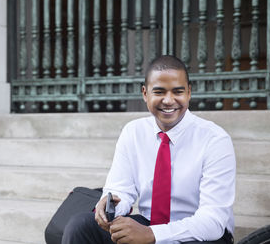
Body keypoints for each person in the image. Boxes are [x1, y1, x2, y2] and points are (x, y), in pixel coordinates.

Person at [62, 55, 236, 244]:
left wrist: (153, 235)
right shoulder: (133, 132)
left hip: (199, 234)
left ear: (189, 93)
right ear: (145, 93)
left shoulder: (215, 140)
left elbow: (213, 222)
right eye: (159, 92)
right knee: (80, 225)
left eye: (178, 91)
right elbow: (121, 189)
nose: (169, 101)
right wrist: (110, 205)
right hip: (149, 223)